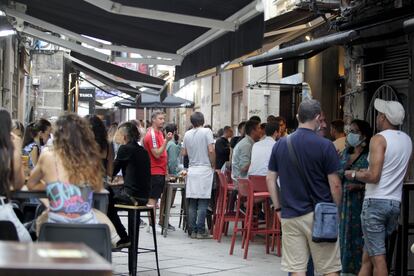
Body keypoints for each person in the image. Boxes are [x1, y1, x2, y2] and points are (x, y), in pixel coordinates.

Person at [266, 99, 342, 276]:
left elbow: (270, 179)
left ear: (298, 116)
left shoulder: (280, 144)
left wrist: (278, 208)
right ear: (317, 118)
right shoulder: (325, 145)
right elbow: (336, 185)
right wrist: (335, 210)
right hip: (320, 214)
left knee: (297, 268)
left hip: (290, 214)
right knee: (329, 268)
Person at [345, 99, 412, 276]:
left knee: (379, 258)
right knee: (369, 256)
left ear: (383, 117)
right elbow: (405, 175)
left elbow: (374, 176)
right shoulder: (407, 140)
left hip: (375, 203)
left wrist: (353, 173)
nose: (377, 117)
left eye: (379, 115)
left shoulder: (378, 139)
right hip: (394, 202)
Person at [27, 114, 104, 225]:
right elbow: (97, 187)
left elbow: (31, 185)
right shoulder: (90, 158)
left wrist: (54, 186)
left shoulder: (47, 156)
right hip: (86, 227)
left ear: (58, 134)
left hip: (55, 227)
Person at [108, 121, 151, 248]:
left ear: (125, 136)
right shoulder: (142, 150)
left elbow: (112, 172)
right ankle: (125, 237)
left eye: (119, 134)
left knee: (106, 201)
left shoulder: (124, 149)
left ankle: (123, 236)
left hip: (132, 197)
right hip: (144, 196)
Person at [339, 119, 372, 275]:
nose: (351, 134)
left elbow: (374, 179)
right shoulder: (346, 152)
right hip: (344, 202)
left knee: (359, 237)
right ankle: (344, 269)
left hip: (361, 202)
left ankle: (360, 270)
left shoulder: (370, 156)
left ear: (364, 136)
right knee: (344, 235)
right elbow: (336, 174)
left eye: (355, 131)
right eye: (349, 131)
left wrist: (359, 186)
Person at [182, 112, 215, 239]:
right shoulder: (207, 131)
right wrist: (212, 164)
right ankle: (201, 230)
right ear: (203, 120)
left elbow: (184, 152)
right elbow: (211, 150)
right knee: (203, 201)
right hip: (204, 169)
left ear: (192, 122)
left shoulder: (187, 134)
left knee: (192, 202)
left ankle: (193, 231)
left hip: (192, 170)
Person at [0, 108, 31, 241]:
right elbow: (18, 183)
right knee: (27, 243)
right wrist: (17, 150)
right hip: (2, 212)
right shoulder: (6, 154)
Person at [143, 110, 173, 232]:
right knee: (152, 200)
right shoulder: (152, 135)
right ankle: (152, 225)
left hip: (159, 171)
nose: (163, 121)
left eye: (163, 118)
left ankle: (152, 224)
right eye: (160, 118)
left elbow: (163, 154)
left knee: (155, 199)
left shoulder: (159, 132)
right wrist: (166, 140)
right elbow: (156, 153)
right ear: (153, 120)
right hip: (154, 172)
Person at [86, 115, 114, 180]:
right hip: (102, 184)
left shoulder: (82, 145)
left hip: (85, 184)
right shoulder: (108, 145)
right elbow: (110, 172)